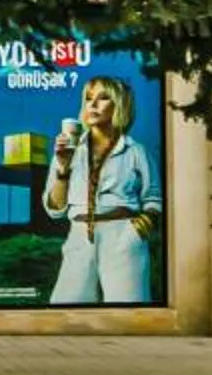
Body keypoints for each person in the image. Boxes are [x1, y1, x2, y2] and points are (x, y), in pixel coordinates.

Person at [42, 75, 161, 305]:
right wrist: (63, 167)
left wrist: (137, 231)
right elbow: (55, 209)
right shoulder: (66, 150)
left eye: (103, 98)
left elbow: (153, 199)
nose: (93, 105)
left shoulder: (136, 151)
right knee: (64, 308)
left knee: (129, 310)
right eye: (88, 98)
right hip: (78, 235)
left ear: (119, 105)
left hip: (122, 236)